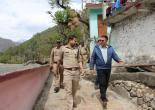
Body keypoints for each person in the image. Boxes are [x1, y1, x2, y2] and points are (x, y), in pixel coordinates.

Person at [90, 35, 124, 108]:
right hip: (100, 68)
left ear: (106, 41)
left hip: (108, 68)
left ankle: (103, 94)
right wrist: (91, 67)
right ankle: (103, 98)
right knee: (102, 83)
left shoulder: (110, 48)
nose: (101, 42)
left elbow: (114, 55)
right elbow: (92, 58)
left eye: (102, 40)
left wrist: (119, 60)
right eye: (100, 40)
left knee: (106, 83)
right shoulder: (96, 48)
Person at [60, 35, 84, 110]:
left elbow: (79, 60)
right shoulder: (63, 48)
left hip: (76, 72)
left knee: (74, 89)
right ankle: (70, 107)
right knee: (69, 91)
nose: (76, 42)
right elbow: (60, 60)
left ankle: (72, 100)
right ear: (70, 40)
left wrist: (82, 69)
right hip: (67, 72)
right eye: (75, 40)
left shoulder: (77, 49)